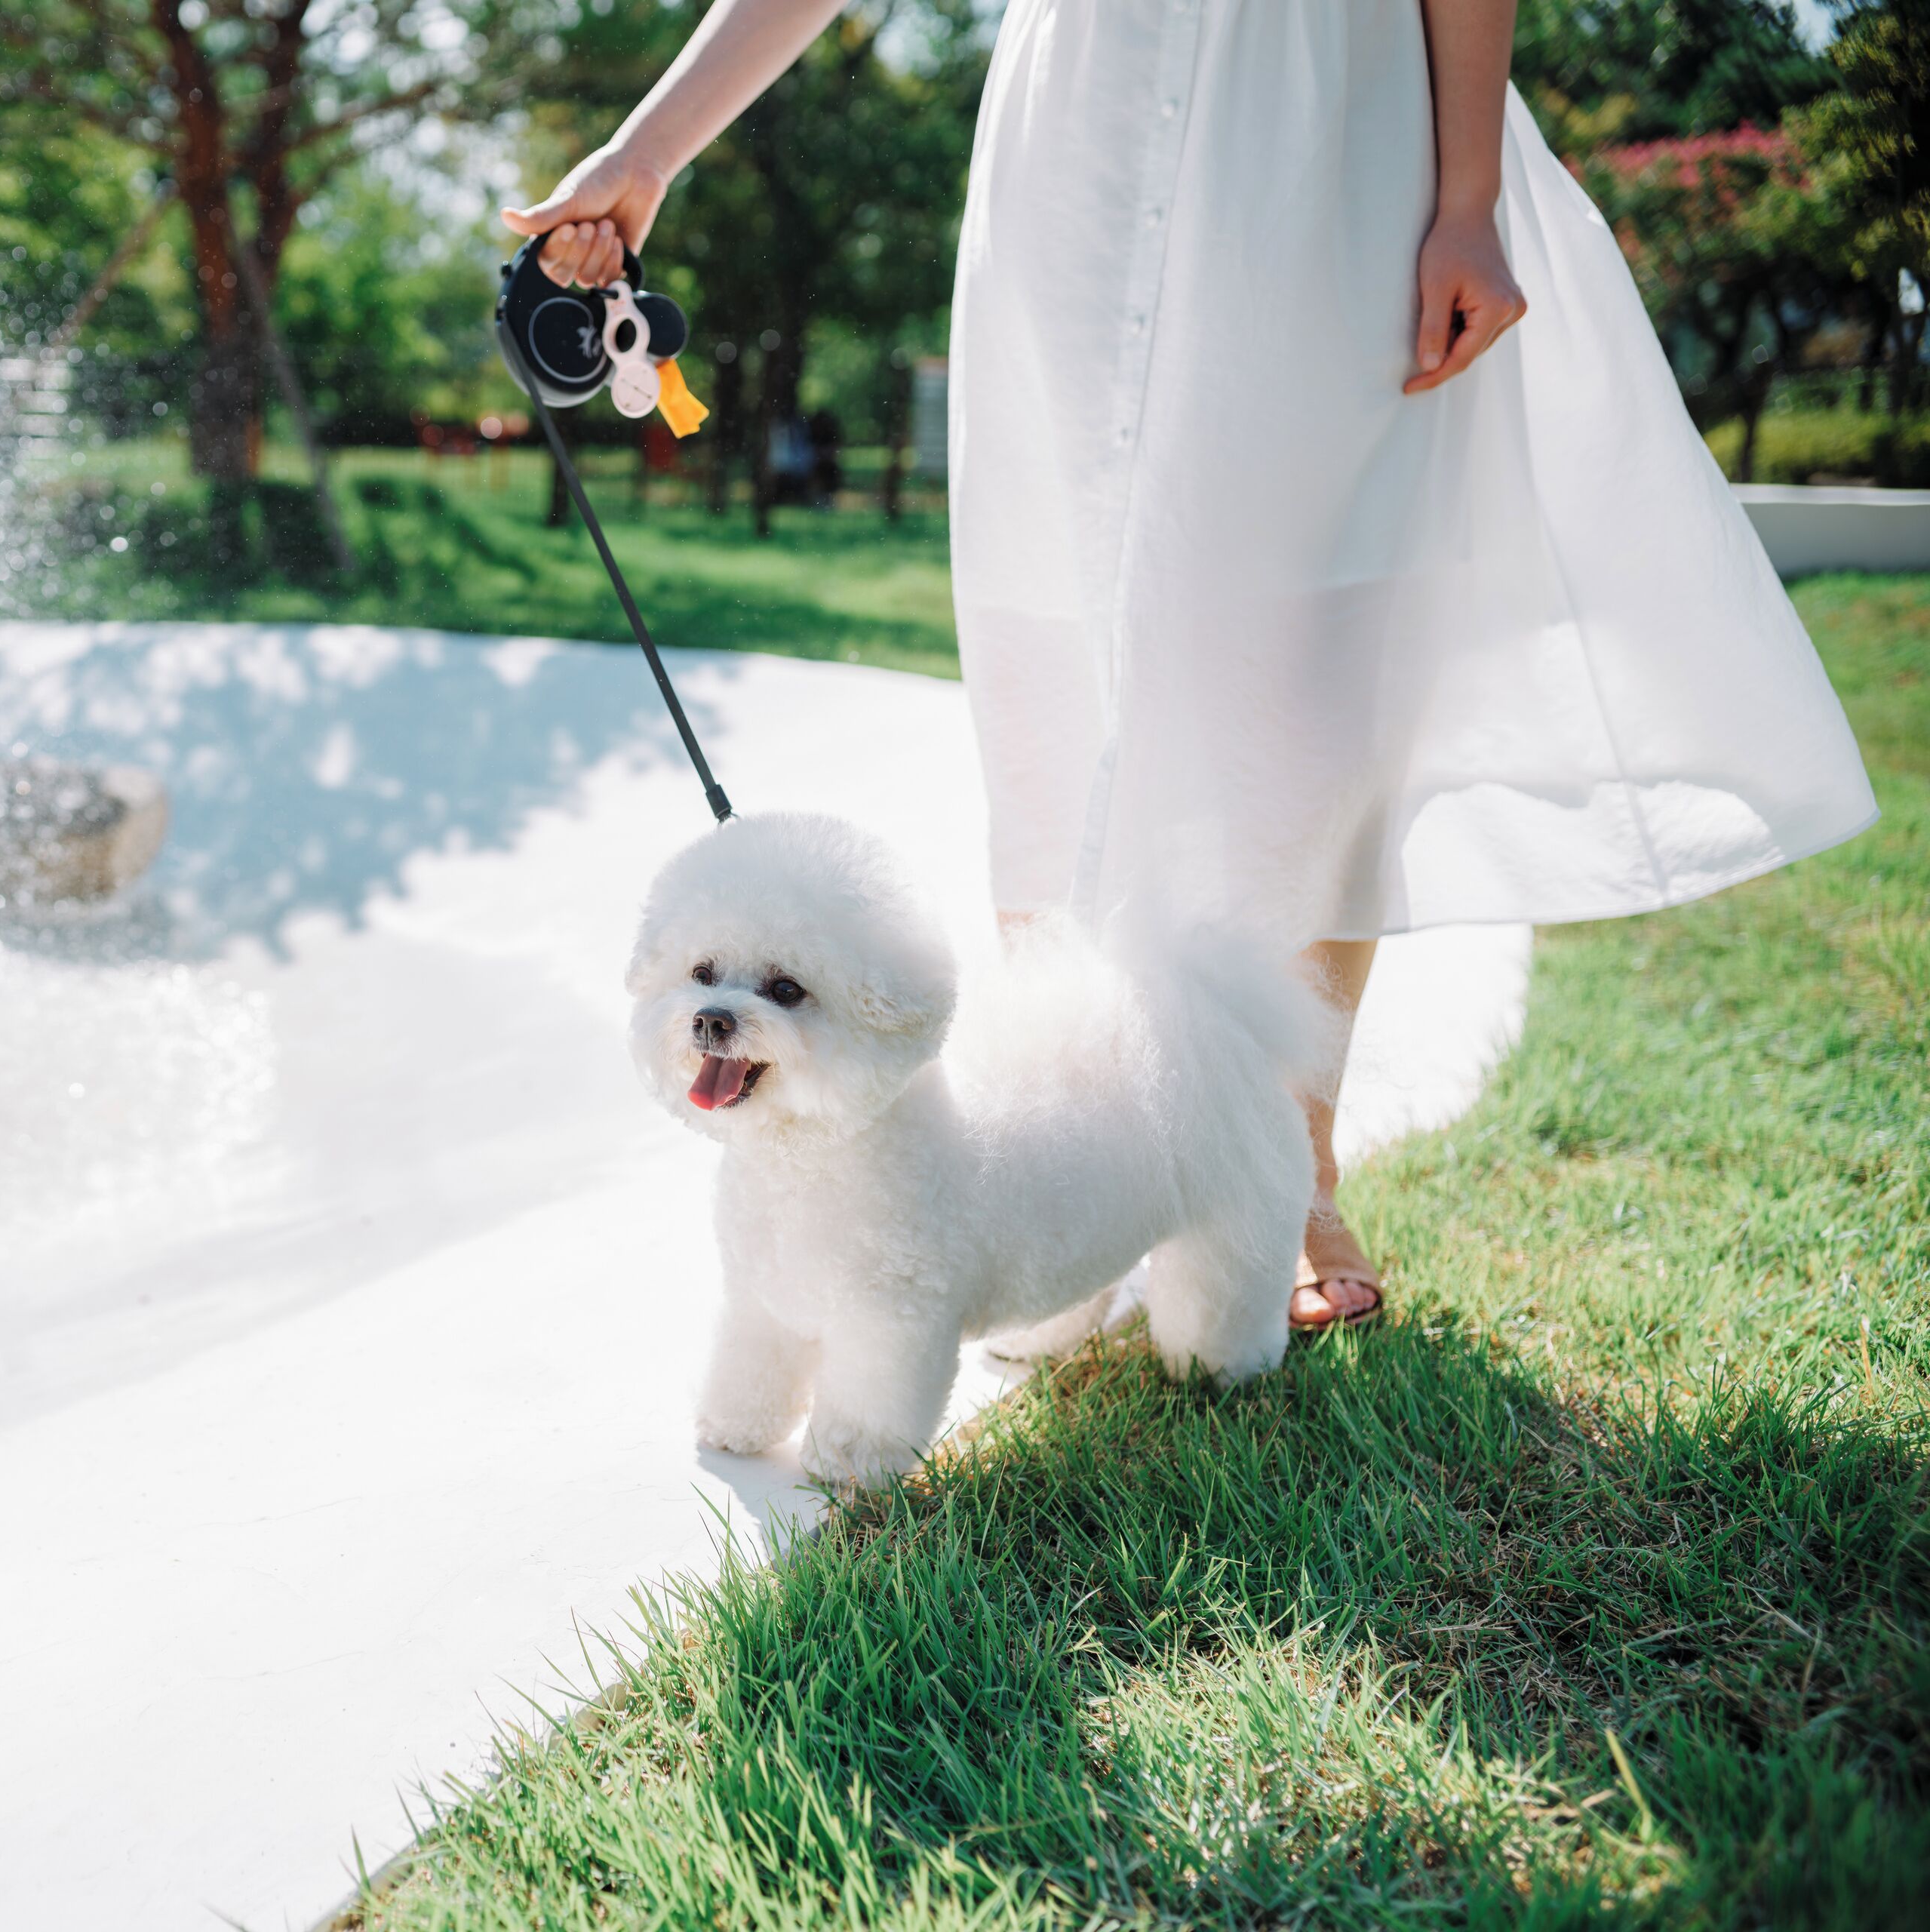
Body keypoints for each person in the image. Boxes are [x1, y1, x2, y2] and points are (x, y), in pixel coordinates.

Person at [506, 0, 1876, 1333]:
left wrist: (1469, 194)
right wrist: (649, 150)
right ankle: (1056, 1161)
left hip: (1333, 125)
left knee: (1319, 673)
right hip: (1085, 123)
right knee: (1058, 642)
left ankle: (1284, 1164)